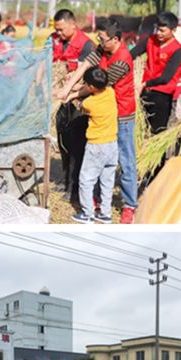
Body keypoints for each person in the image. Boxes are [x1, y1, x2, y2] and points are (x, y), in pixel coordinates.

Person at [58, 18, 137, 224]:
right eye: (99, 39)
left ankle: (129, 205)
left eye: (103, 39)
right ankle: (100, 205)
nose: (100, 43)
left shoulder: (122, 60)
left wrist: (73, 94)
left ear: (116, 39)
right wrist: (68, 87)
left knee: (125, 160)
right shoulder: (104, 49)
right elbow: (85, 65)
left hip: (121, 115)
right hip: (103, 115)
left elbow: (97, 86)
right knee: (103, 163)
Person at [52, 9, 96, 202]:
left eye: (61, 30)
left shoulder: (86, 45)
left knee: (77, 145)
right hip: (63, 100)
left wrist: (72, 89)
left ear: (72, 25)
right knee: (63, 140)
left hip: (80, 101)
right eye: (56, 30)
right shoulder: (58, 42)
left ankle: (75, 187)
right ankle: (65, 179)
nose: (58, 34)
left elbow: (87, 77)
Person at [72, 67, 118, 224]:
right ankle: (105, 213)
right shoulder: (110, 92)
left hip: (97, 145)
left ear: (91, 87)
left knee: (86, 180)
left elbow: (80, 105)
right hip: (112, 144)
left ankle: (87, 214)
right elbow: (91, 88)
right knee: (107, 180)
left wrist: (70, 96)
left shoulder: (90, 103)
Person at [131, 12, 181, 134]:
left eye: (162, 31)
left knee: (156, 132)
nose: (159, 33)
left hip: (162, 95)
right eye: (157, 29)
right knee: (140, 130)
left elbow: (165, 78)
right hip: (144, 92)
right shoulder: (150, 40)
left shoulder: (178, 50)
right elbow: (132, 54)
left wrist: (145, 84)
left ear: (173, 30)